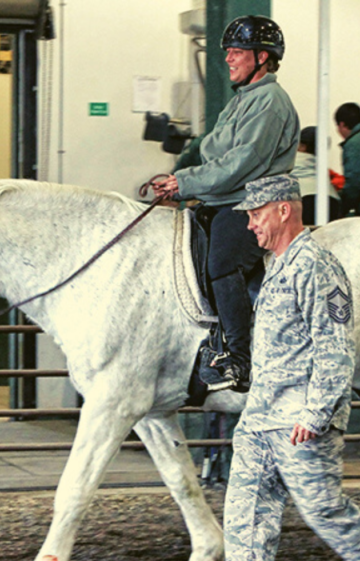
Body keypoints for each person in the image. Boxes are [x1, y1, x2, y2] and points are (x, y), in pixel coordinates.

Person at [187, 175, 360, 561]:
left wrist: (315, 414)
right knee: (246, 507)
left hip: (301, 417)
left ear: (284, 210)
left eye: (256, 214)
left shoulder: (317, 267)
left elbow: (336, 347)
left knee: (326, 511)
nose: (250, 225)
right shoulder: (277, 267)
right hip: (262, 415)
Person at [152, 15, 299, 393]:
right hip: (229, 198)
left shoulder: (269, 102)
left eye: (237, 52)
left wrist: (184, 182)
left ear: (262, 57)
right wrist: (181, 182)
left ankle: (238, 357)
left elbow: (240, 163)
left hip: (256, 204)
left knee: (222, 262)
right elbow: (214, 155)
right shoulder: (243, 100)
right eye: (228, 52)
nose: (229, 58)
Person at [292, 126, 342, 225]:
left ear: (303, 146)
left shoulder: (288, 163)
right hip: (331, 201)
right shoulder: (322, 169)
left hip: (301, 201)